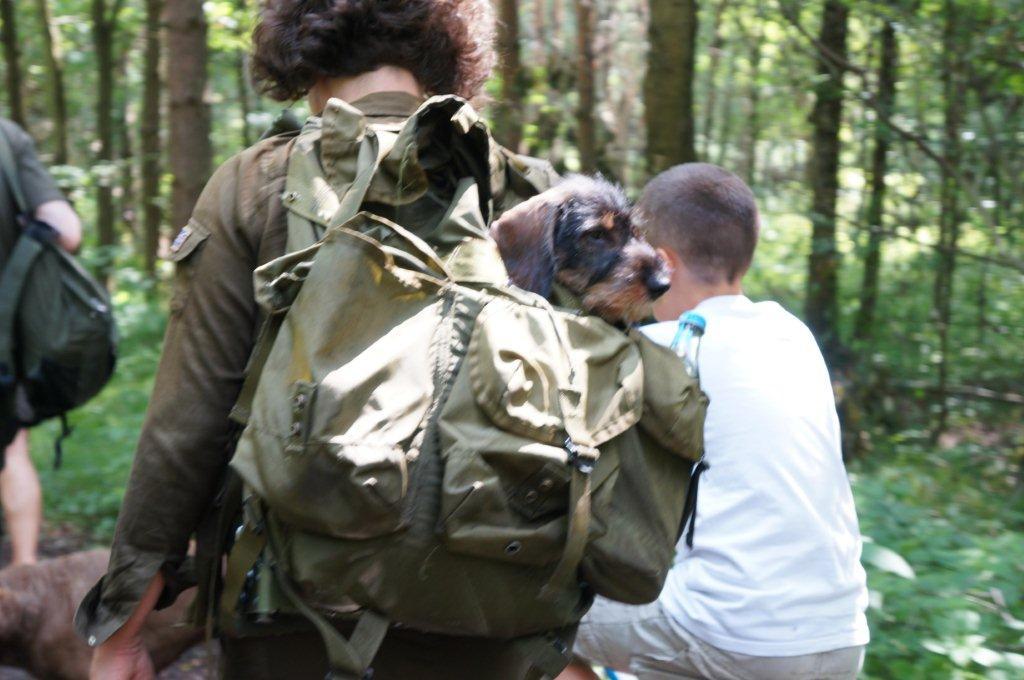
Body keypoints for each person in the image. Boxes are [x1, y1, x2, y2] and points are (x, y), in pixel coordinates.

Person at [78, 2, 560, 678]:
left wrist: (124, 626)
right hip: (494, 609)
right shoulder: (528, 195)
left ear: (299, 40)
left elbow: (187, 425)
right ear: (455, 48)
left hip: (296, 616)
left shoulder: (256, 184)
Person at [559, 163, 869, 680]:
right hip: (841, 637)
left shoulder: (666, 348)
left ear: (662, 262)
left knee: (521, 615)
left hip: (731, 633)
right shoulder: (793, 335)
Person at [0, 117, 82, 566]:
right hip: (6, 333)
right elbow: (67, 231)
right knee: (12, 448)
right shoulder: (6, 138)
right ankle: (23, 574)